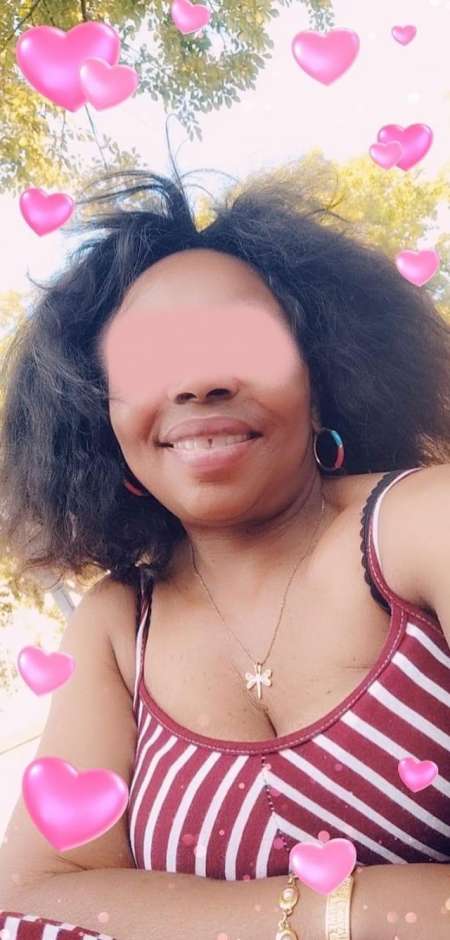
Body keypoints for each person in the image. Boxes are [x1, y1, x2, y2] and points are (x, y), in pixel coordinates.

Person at [0, 153, 450, 940]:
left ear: (320, 381)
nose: (198, 383)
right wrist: (342, 912)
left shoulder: (423, 523)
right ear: (101, 417)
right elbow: (34, 889)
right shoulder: (118, 625)